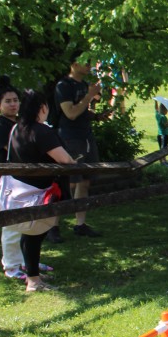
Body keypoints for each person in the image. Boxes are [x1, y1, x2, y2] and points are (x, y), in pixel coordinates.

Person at [9, 91, 77, 292]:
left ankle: (32, 274)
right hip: (39, 192)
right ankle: (33, 281)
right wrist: (74, 162)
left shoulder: (17, 128)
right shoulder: (41, 131)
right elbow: (64, 159)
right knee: (34, 234)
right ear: (42, 108)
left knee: (31, 234)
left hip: (21, 189)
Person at [0, 86, 53, 281]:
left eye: (15, 100)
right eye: (7, 101)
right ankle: (12, 265)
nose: (13, 104)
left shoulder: (20, 123)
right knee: (11, 224)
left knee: (30, 222)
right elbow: (19, 150)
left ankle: (27, 262)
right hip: (7, 180)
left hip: (24, 181)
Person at [53, 61, 103, 240]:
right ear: (74, 64)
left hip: (85, 136)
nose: (90, 65)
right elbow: (71, 113)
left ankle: (80, 224)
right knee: (68, 183)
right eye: (86, 62)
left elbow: (82, 111)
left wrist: (97, 116)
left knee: (84, 182)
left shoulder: (83, 85)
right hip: (70, 138)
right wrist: (89, 95)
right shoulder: (63, 85)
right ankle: (53, 226)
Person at [154, 100, 168, 165]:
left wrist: (156, 102)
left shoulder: (158, 115)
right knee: (163, 149)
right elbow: (166, 125)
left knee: (163, 149)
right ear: (164, 110)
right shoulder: (163, 117)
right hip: (163, 135)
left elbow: (156, 108)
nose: (167, 111)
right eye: (167, 110)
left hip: (160, 135)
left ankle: (164, 160)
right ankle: (163, 162)